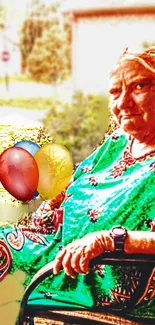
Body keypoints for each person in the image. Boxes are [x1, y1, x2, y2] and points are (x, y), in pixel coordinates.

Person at [0, 47, 155, 321]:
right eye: (115, 92)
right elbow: (71, 188)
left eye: (139, 86)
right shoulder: (118, 142)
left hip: (101, 277)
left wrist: (110, 239)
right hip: (53, 251)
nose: (123, 103)